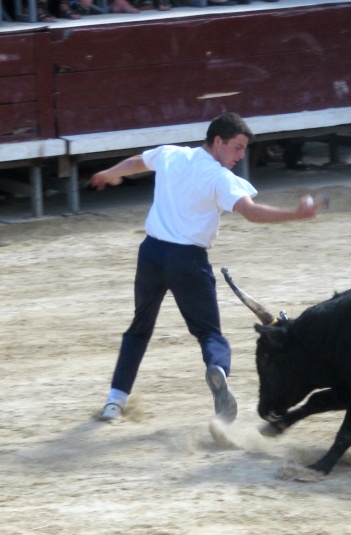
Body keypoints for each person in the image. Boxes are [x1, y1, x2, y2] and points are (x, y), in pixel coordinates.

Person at [89, 112, 319, 423]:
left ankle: (114, 402)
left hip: (151, 255)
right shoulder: (218, 177)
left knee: (138, 330)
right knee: (210, 333)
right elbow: (250, 213)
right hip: (187, 261)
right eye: (237, 147)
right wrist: (295, 215)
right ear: (218, 141)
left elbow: (138, 163)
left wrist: (108, 173)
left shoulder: (172, 154)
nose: (241, 155)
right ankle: (218, 369)